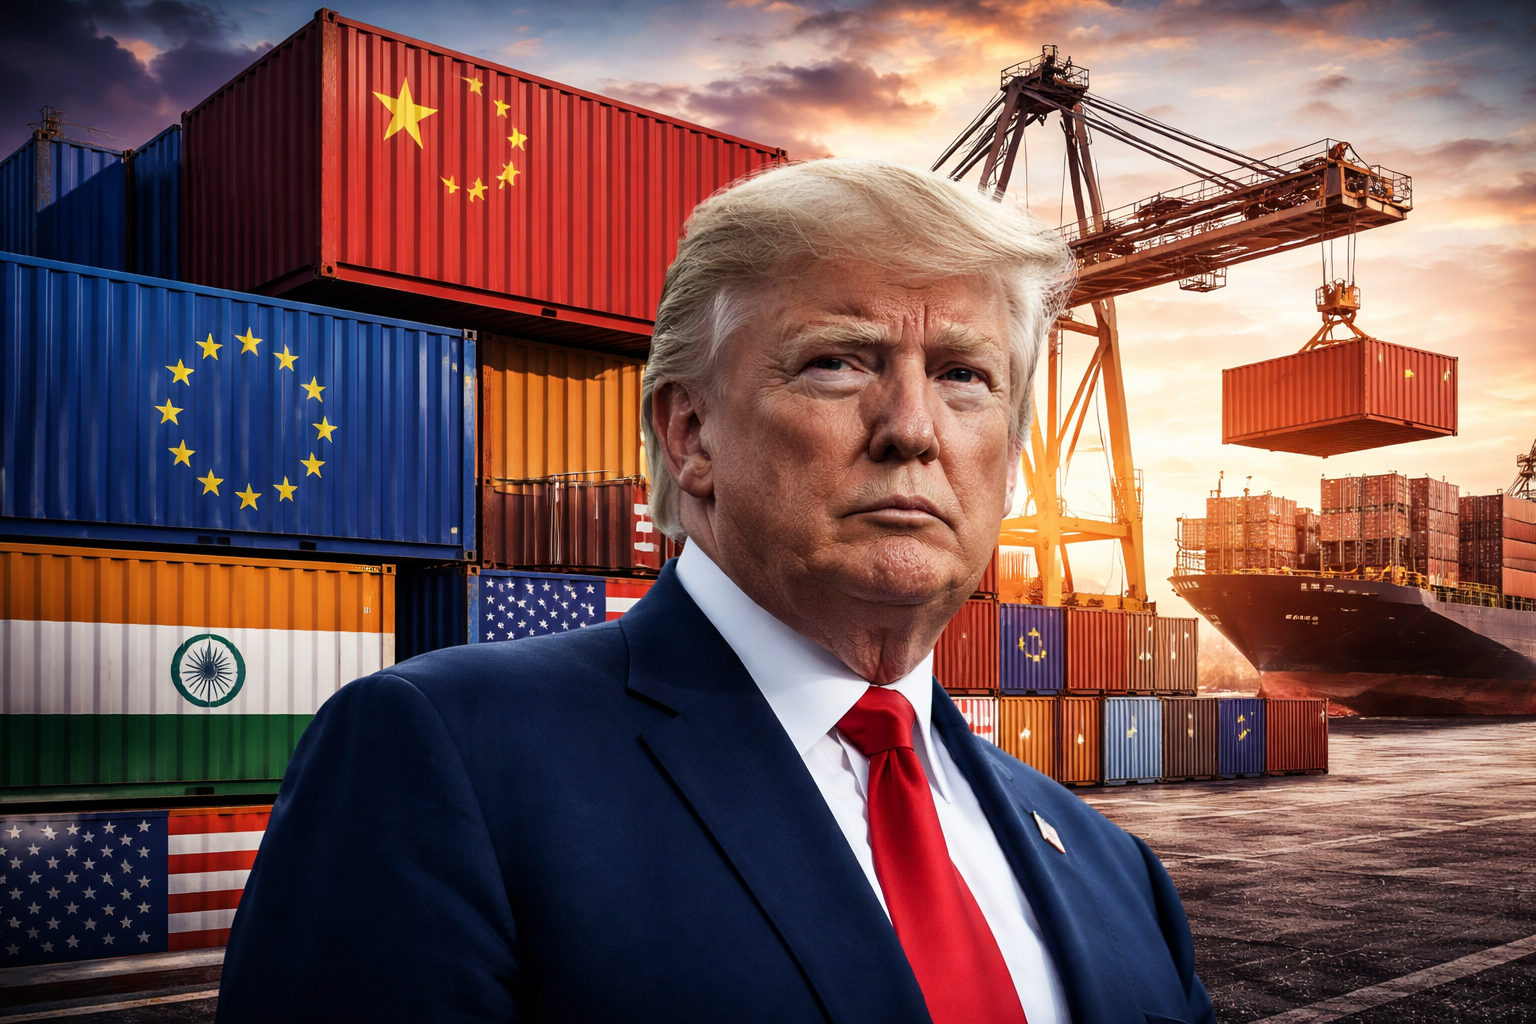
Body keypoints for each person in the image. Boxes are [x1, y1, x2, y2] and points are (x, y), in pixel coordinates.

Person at [217, 159, 1214, 1024]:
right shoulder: (442, 757)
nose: (913, 426)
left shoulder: (1116, 872)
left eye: (963, 374)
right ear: (690, 434)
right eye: (839, 361)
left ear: (1007, 462)